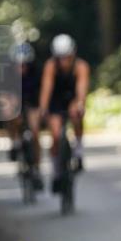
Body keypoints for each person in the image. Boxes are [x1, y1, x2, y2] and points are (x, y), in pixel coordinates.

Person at [38, 34, 90, 193]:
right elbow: (46, 88)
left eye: (66, 57)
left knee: (77, 114)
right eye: (60, 57)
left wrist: (79, 104)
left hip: (72, 98)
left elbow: (81, 89)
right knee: (55, 135)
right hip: (56, 100)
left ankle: (78, 151)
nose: (63, 61)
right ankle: (56, 173)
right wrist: (43, 108)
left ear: (72, 53)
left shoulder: (81, 66)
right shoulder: (50, 66)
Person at [3, 42, 44, 190]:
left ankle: (37, 168)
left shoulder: (38, 71)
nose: (22, 68)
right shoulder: (7, 72)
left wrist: (41, 109)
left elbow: (44, 91)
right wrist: (9, 103)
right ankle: (14, 141)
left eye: (24, 65)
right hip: (14, 99)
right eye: (19, 65)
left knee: (35, 131)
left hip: (33, 101)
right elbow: (2, 94)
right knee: (10, 114)